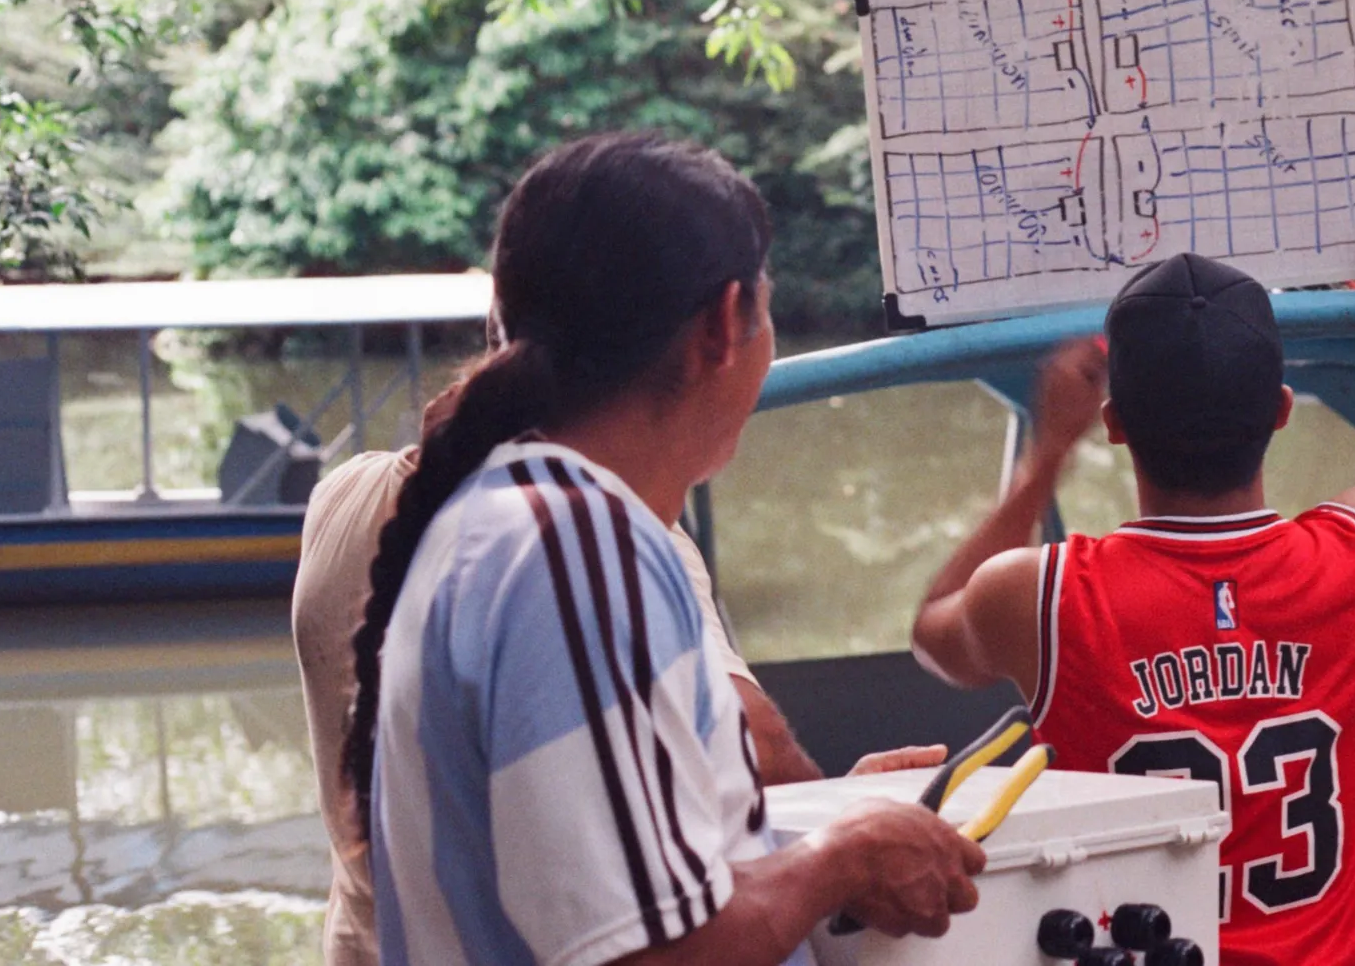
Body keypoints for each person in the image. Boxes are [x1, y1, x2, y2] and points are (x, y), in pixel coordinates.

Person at [344, 133, 985, 966]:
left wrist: (830, 822)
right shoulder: (570, 549)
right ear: (724, 324)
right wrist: (845, 855)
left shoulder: (523, 524)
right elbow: (652, 953)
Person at [911, 163, 1355, 966]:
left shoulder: (1047, 596)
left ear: (1116, 425)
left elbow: (933, 631)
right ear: (1279, 411)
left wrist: (1045, 452)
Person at [295, 439, 939, 966]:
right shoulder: (611, 538)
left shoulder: (349, 495)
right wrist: (839, 842)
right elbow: (755, 744)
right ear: (717, 335)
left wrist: (821, 818)